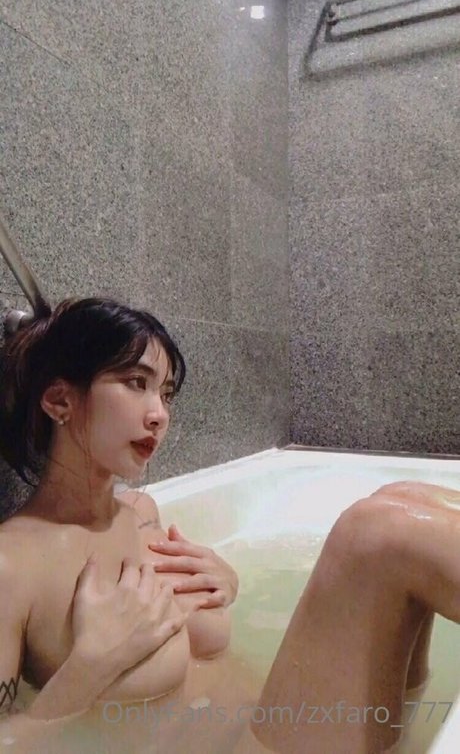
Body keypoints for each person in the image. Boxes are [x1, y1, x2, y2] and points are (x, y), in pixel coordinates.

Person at [0, 297, 458, 754]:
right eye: (136, 383)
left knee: (404, 497)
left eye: (165, 394)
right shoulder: (13, 564)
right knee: (381, 533)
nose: (159, 415)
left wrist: (228, 583)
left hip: (287, 722)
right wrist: (90, 667)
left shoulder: (142, 513)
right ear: (59, 400)